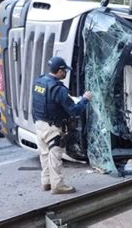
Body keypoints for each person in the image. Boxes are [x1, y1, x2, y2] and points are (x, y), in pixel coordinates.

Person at [32, 56, 92, 194]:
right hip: (53, 128)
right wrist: (85, 99)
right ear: (59, 71)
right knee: (55, 157)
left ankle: (46, 182)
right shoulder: (58, 89)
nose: (65, 73)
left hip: (39, 124)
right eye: (64, 70)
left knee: (45, 154)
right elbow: (74, 111)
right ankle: (58, 185)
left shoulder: (39, 82)